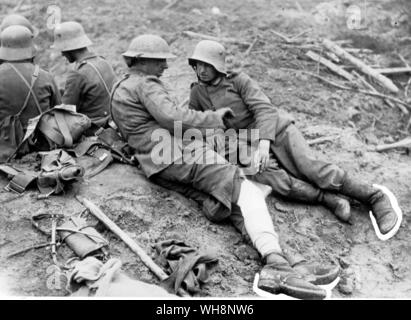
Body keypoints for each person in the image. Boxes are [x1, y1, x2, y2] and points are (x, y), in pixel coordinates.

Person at [111, 34, 340, 299]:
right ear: (143, 61)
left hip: (156, 166)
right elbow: (172, 117)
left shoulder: (121, 87)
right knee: (248, 191)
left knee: (232, 204)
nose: (165, 66)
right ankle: (276, 267)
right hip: (178, 155)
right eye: (160, 61)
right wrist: (214, 118)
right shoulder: (147, 84)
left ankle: (286, 262)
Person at [187, 40, 402, 240]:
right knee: (276, 180)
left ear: (218, 65)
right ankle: (327, 199)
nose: (202, 70)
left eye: (207, 65)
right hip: (244, 143)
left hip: (275, 129)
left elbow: (264, 108)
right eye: (198, 65)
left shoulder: (238, 81)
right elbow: (196, 119)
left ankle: (373, 196)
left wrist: (264, 142)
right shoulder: (197, 93)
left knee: (311, 168)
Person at [0, 25, 61, 160]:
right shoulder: (45, 76)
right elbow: (57, 111)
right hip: (42, 146)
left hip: (5, 150)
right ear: (31, 49)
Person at [52, 21, 117, 131]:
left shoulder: (77, 74)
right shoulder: (103, 61)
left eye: (63, 49)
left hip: (93, 127)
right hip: (112, 121)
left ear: (69, 48)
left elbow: (66, 111)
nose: (62, 54)